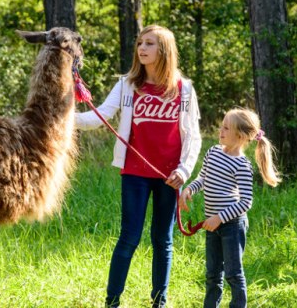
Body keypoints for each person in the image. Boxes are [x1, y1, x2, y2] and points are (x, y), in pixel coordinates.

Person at [76, 24, 202, 308]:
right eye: (140, 43)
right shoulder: (127, 84)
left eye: (149, 44)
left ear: (164, 50)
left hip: (169, 176)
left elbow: (192, 136)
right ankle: (112, 301)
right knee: (129, 237)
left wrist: (183, 171)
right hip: (134, 173)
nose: (142, 49)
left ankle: (160, 301)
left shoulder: (184, 89)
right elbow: (100, 117)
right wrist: (63, 118)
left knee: (162, 240)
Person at [178, 108, 281, 308]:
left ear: (240, 136)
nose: (220, 130)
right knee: (212, 275)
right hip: (213, 226)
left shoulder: (242, 165)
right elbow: (203, 178)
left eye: (226, 128)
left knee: (234, 274)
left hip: (232, 226)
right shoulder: (213, 152)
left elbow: (245, 202)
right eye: (222, 126)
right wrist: (189, 189)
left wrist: (219, 218)